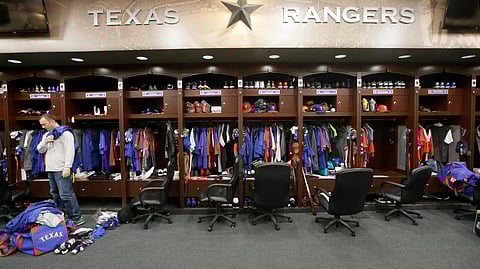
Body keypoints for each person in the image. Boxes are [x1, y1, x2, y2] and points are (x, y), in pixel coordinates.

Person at [37, 113, 84, 225]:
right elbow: (40, 149)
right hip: (51, 169)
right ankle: (60, 215)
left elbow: (70, 151)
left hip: (62, 168)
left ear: (51, 121)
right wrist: (45, 141)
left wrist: (67, 167)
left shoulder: (66, 133)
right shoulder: (47, 135)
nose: (42, 127)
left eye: (44, 124)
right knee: (55, 193)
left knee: (66, 194)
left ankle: (76, 217)